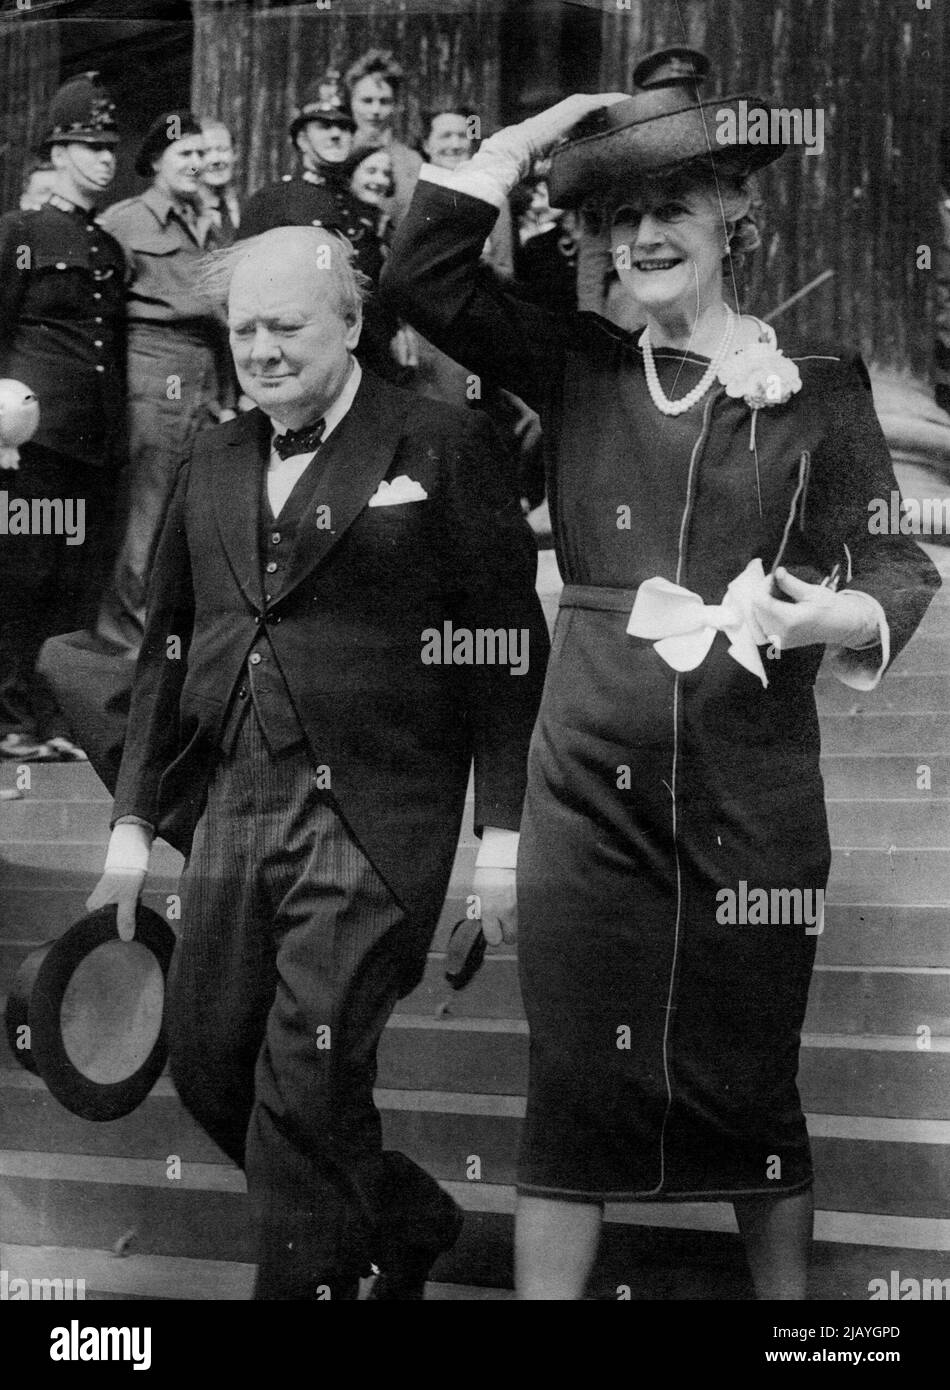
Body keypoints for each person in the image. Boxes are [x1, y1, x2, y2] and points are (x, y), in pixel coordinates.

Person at [384, 49, 941, 1299]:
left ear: (732, 220)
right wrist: (518, 143)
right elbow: (419, 275)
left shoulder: (829, 389)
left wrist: (827, 617)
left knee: (751, 1086)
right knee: (574, 1087)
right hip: (585, 787)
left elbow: (899, 565)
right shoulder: (577, 362)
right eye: (615, 217)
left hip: (752, 798)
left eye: (666, 212)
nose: (636, 238)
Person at [86, 224, 549, 1300]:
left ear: (349, 322)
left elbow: (503, 649)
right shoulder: (211, 452)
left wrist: (503, 841)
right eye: (242, 328)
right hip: (233, 806)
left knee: (304, 1076)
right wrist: (128, 832)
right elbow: (162, 651)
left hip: (372, 817)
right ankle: (401, 1213)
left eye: (285, 324)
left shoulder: (438, 441)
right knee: (209, 1062)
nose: (261, 348)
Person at [0, 73, 126, 760]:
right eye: (88, 144)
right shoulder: (17, 232)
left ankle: (50, 721)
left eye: (109, 145)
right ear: (58, 150)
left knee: (75, 585)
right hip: (32, 445)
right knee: (23, 577)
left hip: (94, 448)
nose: (105, 157)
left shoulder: (107, 248)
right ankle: (13, 719)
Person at [95, 111, 233, 657]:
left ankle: (161, 645)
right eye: (185, 154)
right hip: (153, 372)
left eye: (202, 154)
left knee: (185, 517)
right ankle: (121, 650)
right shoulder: (123, 222)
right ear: (155, 162)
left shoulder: (209, 220)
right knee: (143, 519)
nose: (197, 164)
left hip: (204, 372)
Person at [344, 48, 422, 227]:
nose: (375, 111)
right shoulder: (338, 153)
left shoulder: (411, 162)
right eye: (367, 101)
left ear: (396, 105)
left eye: (385, 101)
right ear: (351, 102)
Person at [198, 118, 241, 243]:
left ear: (235, 154)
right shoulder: (185, 214)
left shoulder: (252, 207)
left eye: (222, 149)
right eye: (206, 152)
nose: (215, 160)